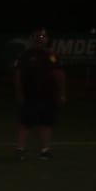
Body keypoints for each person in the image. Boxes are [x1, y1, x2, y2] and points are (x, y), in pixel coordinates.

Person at [14, 27, 64, 160]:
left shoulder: (51, 55)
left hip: (48, 95)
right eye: (37, 36)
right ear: (31, 38)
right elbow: (18, 75)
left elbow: (58, 74)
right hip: (30, 95)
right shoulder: (25, 55)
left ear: (46, 39)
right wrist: (19, 93)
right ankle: (21, 150)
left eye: (42, 36)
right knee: (26, 122)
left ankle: (45, 150)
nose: (39, 39)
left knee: (46, 123)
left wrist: (61, 93)